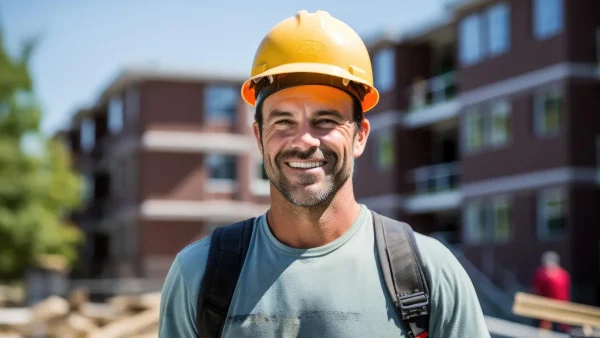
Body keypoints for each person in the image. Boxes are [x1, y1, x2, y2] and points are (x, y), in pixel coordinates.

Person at [158, 10, 490, 337]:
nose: (304, 140)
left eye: (326, 121)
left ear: (360, 136)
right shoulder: (199, 275)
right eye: (284, 121)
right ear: (259, 137)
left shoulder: (431, 275)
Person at [532, 251, 571, 332]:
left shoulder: (543, 275)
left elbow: (536, 291)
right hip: (559, 310)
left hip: (548, 312)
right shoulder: (564, 274)